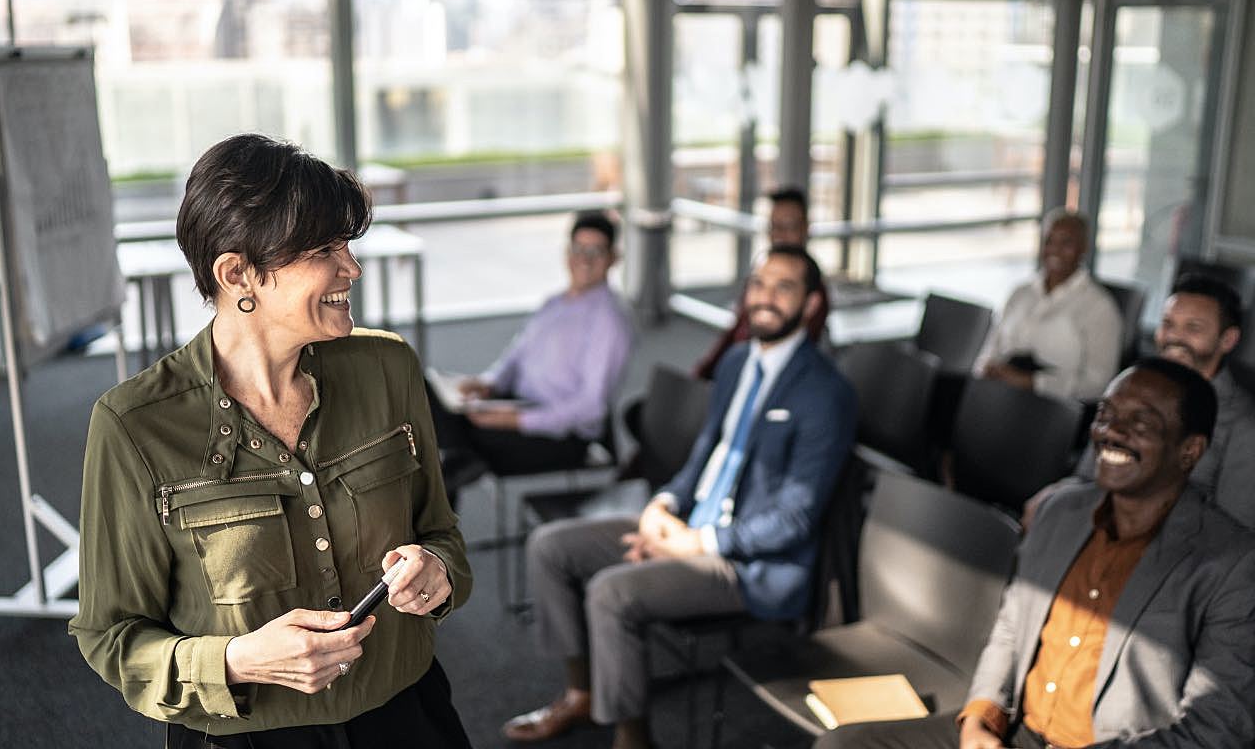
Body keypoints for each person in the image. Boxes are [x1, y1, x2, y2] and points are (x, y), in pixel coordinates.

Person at [69, 134, 473, 748]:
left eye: (349, 245)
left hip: (408, 718)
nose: (352, 269)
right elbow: (112, 636)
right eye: (324, 250)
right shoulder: (134, 425)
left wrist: (437, 569)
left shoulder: (389, 369)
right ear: (236, 274)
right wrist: (237, 660)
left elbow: (441, 531)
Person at [502, 245, 857, 749]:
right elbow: (708, 454)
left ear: (813, 303)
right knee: (551, 546)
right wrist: (662, 507)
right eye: (759, 284)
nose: (765, 298)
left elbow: (796, 517)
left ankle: (633, 740)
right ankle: (581, 694)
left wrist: (695, 545)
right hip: (691, 524)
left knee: (612, 591)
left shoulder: (826, 392)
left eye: (784, 287)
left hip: (751, 565)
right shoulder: (736, 362)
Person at [817, 358, 1255, 749]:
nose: (1111, 431)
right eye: (1106, 413)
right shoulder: (1060, 512)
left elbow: (1215, 729)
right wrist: (980, 717)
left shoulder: (1231, 561)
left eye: (1140, 423)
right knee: (843, 745)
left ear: (1190, 451)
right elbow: (1010, 628)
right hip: (1016, 733)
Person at [1032, 273, 1255, 529]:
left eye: (1192, 328)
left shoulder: (1244, 425)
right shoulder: (1129, 390)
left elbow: (1235, 534)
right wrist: (1058, 494)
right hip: (1096, 526)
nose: (1173, 338)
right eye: (1168, 324)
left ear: (1227, 340)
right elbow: (1086, 475)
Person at [431, 210, 633, 489]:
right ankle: (452, 473)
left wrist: (515, 420)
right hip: (519, 403)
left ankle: (448, 480)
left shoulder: (609, 321)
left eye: (596, 251)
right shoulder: (554, 304)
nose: (585, 259)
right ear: (567, 253)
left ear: (613, 258)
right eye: (579, 249)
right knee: (430, 395)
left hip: (562, 435)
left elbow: (590, 407)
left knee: (449, 447)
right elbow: (515, 358)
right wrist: (488, 384)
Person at [973, 209, 1121, 401]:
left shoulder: (1099, 307)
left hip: (1053, 407)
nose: (1054, 249)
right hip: (1000, 395)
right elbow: (991, 348)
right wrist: (985, 369)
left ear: (1084, 247)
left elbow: (1098, 384)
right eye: (1049, 241)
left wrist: (1034, 382)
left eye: (1066, 242)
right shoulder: (1020, 293)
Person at [693, 186, 829, 379]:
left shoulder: (814, 291)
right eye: (774, 226)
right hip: (732, 369)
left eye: (788, 226)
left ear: (806, 228)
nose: (779, 235)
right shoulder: (761, 271)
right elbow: (735, 330)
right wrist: (706, 371)